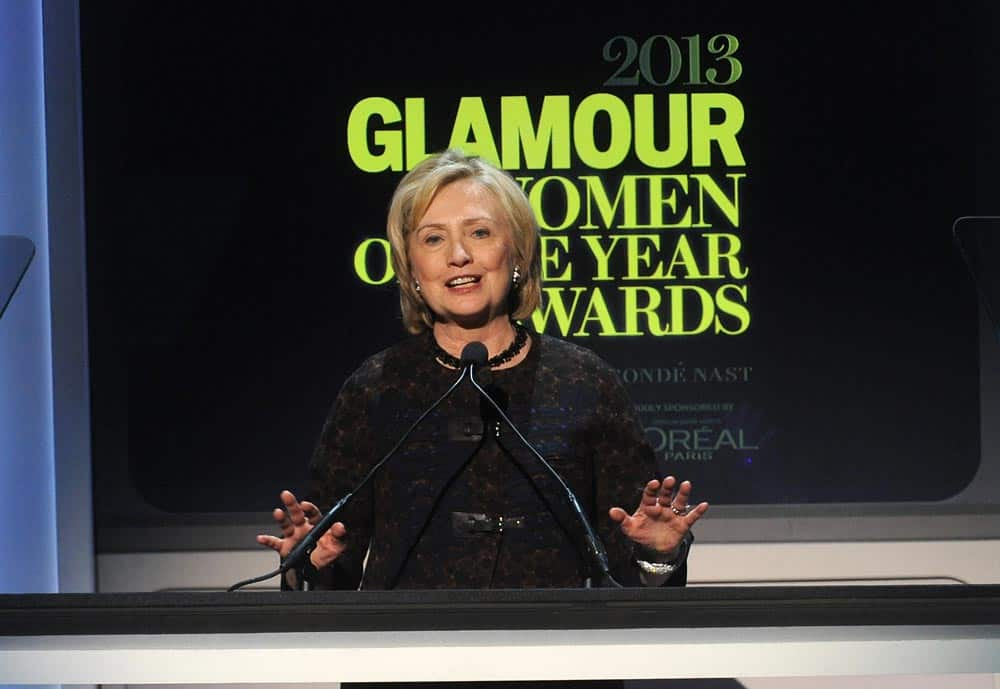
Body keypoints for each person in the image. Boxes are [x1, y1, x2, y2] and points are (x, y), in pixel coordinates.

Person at [257, 149, 708, 590]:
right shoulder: (376, 387)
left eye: (479, 233)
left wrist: (658, 555)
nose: (458, 255)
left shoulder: (585, 381)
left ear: (516, 253)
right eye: (433, 238)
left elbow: (634, 573)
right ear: (411, 268)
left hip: (554, 655)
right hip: (411, 657)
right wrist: (308, 565)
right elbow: (331, 565)